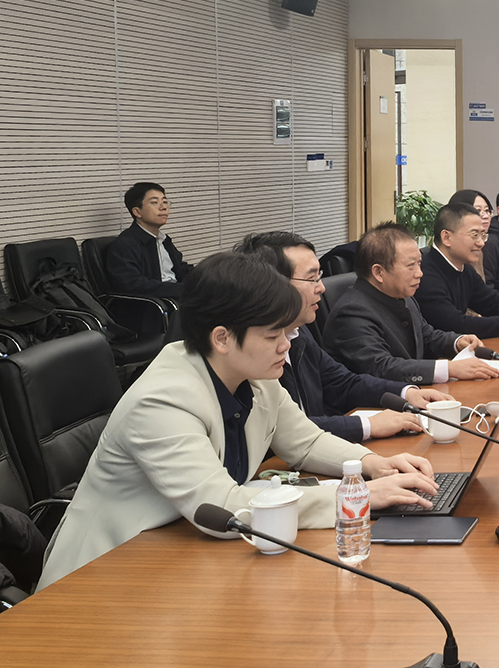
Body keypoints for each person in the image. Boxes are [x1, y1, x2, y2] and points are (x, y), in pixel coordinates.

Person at [37, 252, 439, 590]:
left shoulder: (253, 375)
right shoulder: (162, 400)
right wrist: (356, 498)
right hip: (103, 579)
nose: (285, 346)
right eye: (273, 335)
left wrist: (373, 466)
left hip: (180, 555)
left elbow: (306, 442)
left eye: (287, 332)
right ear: (222, 338)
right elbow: (223, 509)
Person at [238, 232, 456, 441]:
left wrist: (405, 393)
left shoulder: (298, 332)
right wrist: (367, 425)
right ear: (273, 286)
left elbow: (343, 383)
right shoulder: (249, 352)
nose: (321, 288)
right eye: (312, 279)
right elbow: (285, 430)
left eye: (320, 277)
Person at [323, 222, 499, 385]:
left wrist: (457, 341)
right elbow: (382, 368)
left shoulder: (402, 295)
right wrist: (449, 368)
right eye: (411, 265)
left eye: (419, 263)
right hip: (374, 404)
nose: (419, 273)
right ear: (378, 272)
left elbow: (426, 336)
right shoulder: (351, 313)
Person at [416, 203, 499, 338]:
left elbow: (491, 301)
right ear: (446, 237)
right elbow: (456, 324)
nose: (481, 243)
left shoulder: (464, 267)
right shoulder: (424, 273)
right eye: (474, 234)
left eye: (483, 235)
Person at [106, 182, 193, 299]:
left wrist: (207, 278)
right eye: (154, 203)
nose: (163, 207)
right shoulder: (125, 245)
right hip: (157, 303)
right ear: (137, 212)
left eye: (165, 202)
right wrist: (182, 290)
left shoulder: (163, 240)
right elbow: (133, 285)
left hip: (177, 296)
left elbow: (181, 269)